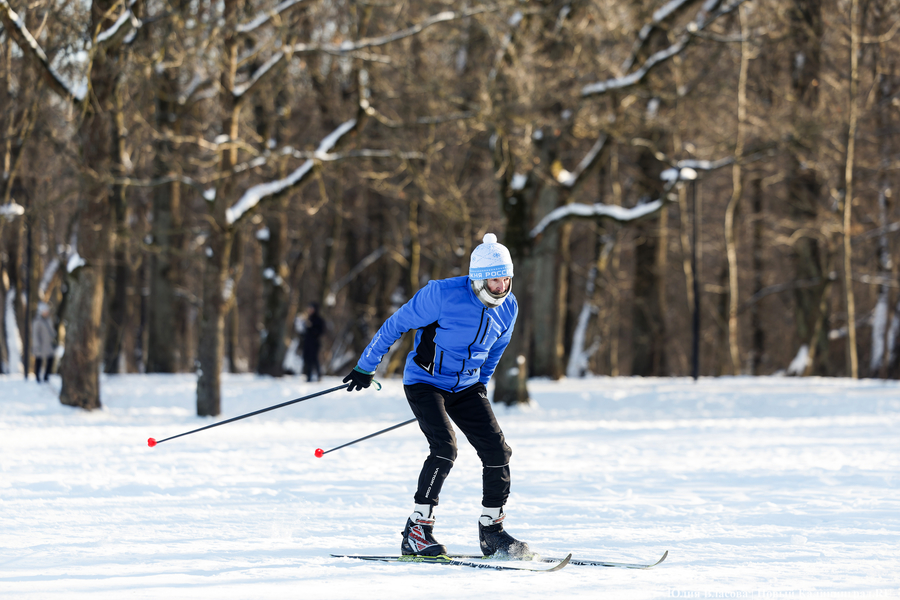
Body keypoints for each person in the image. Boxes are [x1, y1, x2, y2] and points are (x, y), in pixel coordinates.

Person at [343, 233, 530, 559]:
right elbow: (395, 325)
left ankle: (492, 532)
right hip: (425, 382)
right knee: (445, 447)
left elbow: (496, 350)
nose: (501, 287)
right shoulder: (441, 295)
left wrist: (482, 383)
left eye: (505, 279)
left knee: (498, 451)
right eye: (494, 281)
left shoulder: (509, 307)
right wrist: (366, 366)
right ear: (477, 279)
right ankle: (418, 530)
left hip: (467, 386)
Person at [301, 302, 325, 382]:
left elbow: (321, 331)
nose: (310, 310)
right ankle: (308, 376)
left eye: (311, 308)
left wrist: (312, 328)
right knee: (307, 359)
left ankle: (318, 375)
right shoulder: (307, 318)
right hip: (306, 342)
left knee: (314, 359)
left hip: (314, 343)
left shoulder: (318, 319)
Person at [32, 302, 56, 382]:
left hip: (48, 344)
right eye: (45, 311)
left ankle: (46, 376)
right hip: (40, 345)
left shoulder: (49, 320)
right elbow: (35, 334)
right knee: (39, 361)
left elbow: (52, 331)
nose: (46, 312)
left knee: (50, 359)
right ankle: (37, 377)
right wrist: (37, 345)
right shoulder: (37, 321)